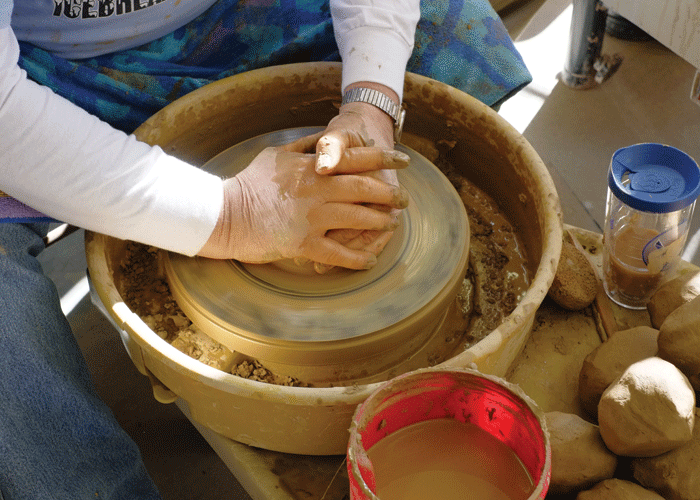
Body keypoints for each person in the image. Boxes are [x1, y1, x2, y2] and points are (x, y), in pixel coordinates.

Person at [0, 1, 531, 498]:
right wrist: (232, 216)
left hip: (239, 17)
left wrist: (372, 105)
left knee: (453, 29)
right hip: (48, 68)